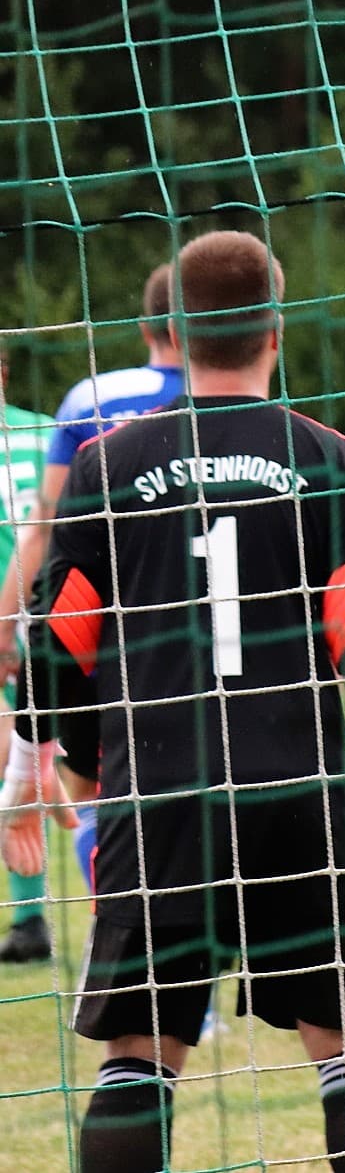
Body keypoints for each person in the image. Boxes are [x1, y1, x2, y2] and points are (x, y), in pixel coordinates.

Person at [7, 230, 345, 1172]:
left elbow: (58, 638)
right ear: (274, 329)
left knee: (137, 1061)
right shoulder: (328, 456)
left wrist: (27, 768)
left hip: (160, 801)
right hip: (302, 796)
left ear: (174, 328)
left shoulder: (110, 465)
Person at [0, 264, 183, 677]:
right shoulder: (258, 412)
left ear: (145, 328)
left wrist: (4, 630)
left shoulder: (91, 401)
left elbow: (43, 528)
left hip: (109, 652)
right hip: (237, 655)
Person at [0, 350, 65, 964]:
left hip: (6, 628)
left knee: (18, 766)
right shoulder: (49, 432)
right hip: (58, 620)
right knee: (78, 769)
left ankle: (29, 919)